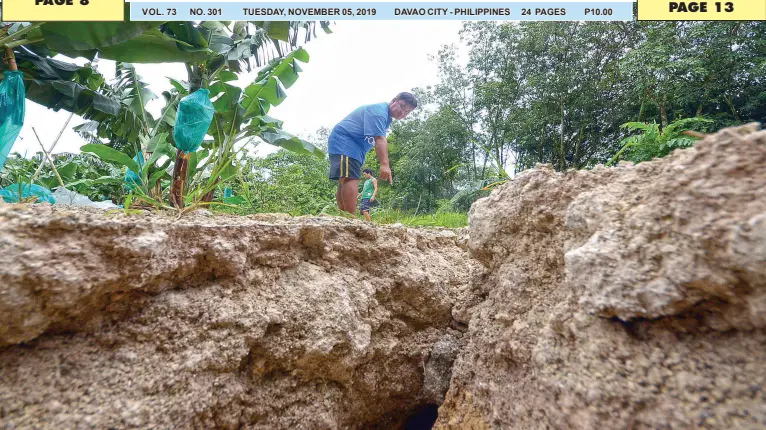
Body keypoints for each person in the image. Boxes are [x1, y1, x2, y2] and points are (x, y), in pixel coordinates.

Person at [328, 92, 417, 215]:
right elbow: (380, 139)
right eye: (402, 106)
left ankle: (344, 217)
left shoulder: (386, 117)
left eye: (407, 112)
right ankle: (351, 220)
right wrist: (385, 164)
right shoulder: (379, 112)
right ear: (394, 101)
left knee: (344, 179)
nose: (403, 113)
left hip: (354, 148)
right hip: (346, 142)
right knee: (350, 179)